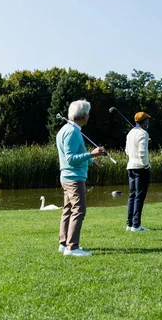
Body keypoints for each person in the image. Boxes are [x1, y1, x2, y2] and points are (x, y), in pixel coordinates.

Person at [56, 100, 106, 256]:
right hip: (74, 178)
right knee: (79, 210)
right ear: (85, 116)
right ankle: (72, 247)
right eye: (88, 114)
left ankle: (64, 244)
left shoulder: (66, 130)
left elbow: (76, 153)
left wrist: (92, 160)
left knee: (68, 210)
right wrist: (91, 153)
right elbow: (71, 158)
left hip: (67, 177)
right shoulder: (72, 132)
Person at [125, 111, 152, 232]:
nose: (148, 122)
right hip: (140, 168)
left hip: (130, 166)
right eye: (147, 120)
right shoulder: (143, 133)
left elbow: (126, 151)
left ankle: (129, 223)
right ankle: (136, 225)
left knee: (132, 196)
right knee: (139, 197)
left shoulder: (130, 133)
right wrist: (146, 165)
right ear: (143, 121)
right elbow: (142, 152)